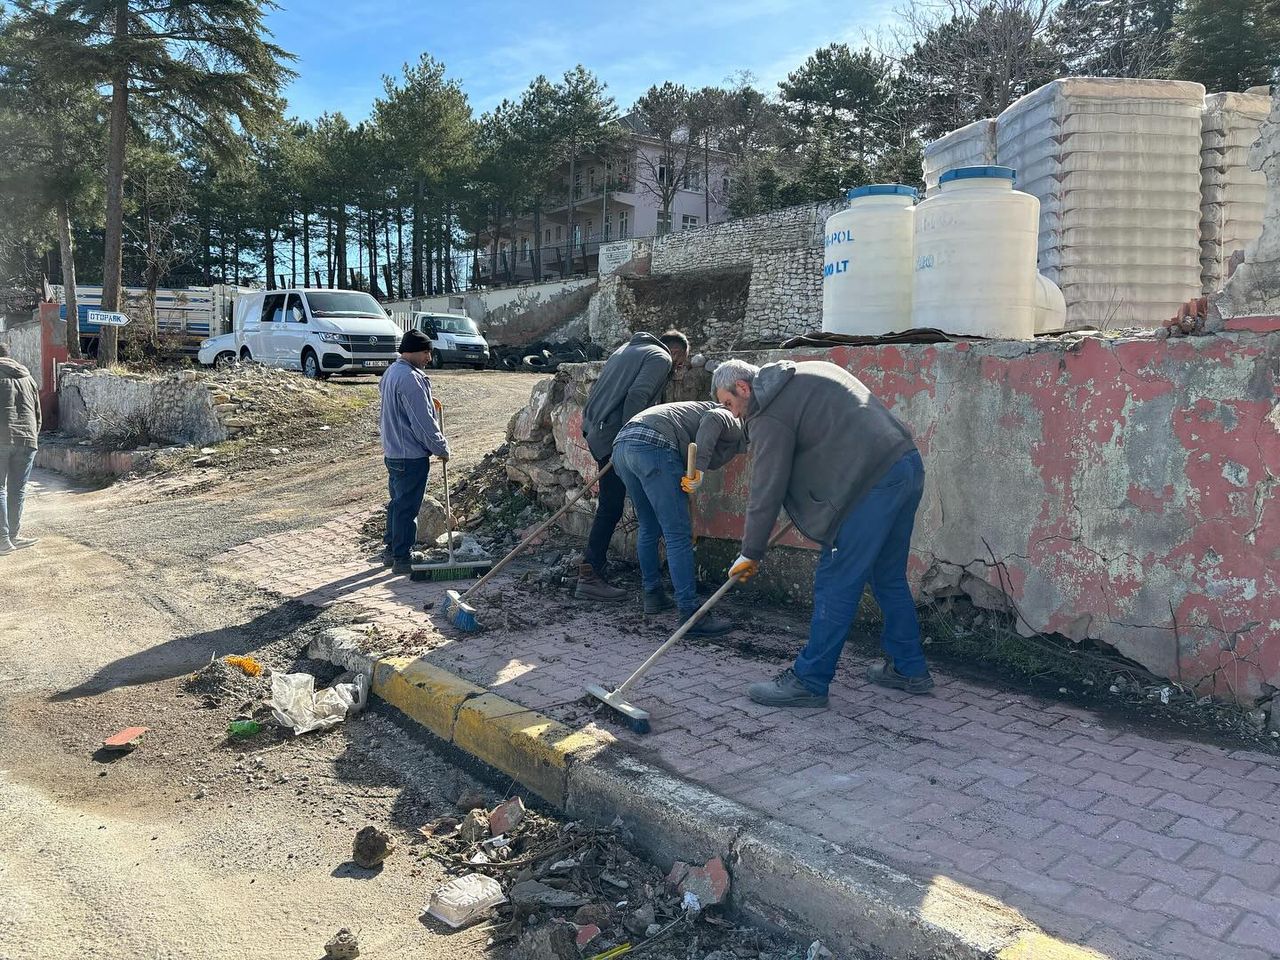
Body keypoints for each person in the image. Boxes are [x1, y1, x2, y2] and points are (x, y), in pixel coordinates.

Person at [712, 358, 933, 707]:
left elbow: (766, 488)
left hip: (870, 484)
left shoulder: (768, 411)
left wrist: (750, 552)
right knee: (887, 576)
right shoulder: (803, 372)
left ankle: (809, 680)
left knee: (836, 581)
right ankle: (908, 667)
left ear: (743, 388)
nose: (734, 414)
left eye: (729, 403)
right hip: (904, 465)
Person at [611, 400, 745, 635]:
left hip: (623, 446)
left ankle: (653, 594)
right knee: (678, 535)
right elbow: (712, 421)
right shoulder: (732, 415)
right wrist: (699, 471)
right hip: (653, 445)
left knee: (649, 525)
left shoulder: (688, 411)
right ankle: (691, 615)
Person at [576, 329, 689, 601]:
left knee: (610, 504)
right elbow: (638, 396)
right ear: (674, 352)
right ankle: (590, 575)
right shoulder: (660, 358)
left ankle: (592, 569)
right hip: (614, 432)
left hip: (596, 428)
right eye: (681, 362)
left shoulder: (627, 349)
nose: (679, 368)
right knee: (611, 505)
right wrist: (629, 437)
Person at [379, 329, 450, 576]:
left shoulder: (391, 373)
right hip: (410, 455)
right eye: (426, 352)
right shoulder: (410, 378)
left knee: (397, 504)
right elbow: (422, 423)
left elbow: (402, 406)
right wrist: (440, 447)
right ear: (412, 351)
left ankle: (390, 551)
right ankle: (402, 558)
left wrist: (427, 400)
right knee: (407, 508)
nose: (429, 358)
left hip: (393, 452)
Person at [0, 343, 41, 556]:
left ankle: (3, 540)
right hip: (28, 439)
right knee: (17, 489)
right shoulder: (28, 377)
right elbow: (37, 413)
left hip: (2, 439)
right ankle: (13, 536)